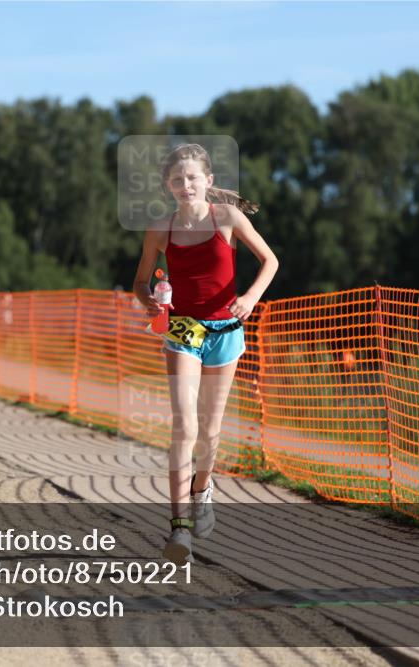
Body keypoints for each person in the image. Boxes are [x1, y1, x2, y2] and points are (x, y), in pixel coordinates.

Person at [133, 143, 279, 565]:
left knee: (211, 430)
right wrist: (150, 302)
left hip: (227, 331)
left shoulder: (228, 218)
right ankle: (179, 530)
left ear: (208, 181)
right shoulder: (160, 229)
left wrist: (251, 296)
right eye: (177, 180)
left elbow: (270, 261)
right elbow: (140, 282)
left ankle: (203, 489)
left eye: (193, 178)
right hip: (182, 329)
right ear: (167, 185)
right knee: (185, 423)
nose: (185, 185)